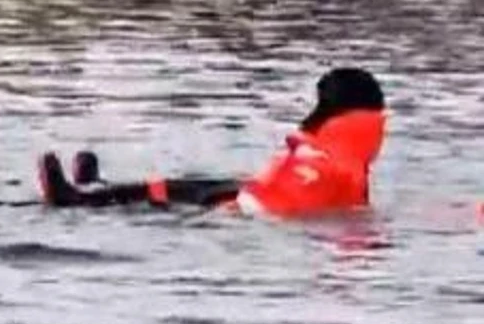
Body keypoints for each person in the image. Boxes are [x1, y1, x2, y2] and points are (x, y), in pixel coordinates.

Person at [34, 67, 386, 218]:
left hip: (243, 207)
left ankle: (88, 195)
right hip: (245, 205)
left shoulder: (331, 155)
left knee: (176, 190)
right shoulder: (337, 155)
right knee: (178, 188)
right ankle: (88, 193)